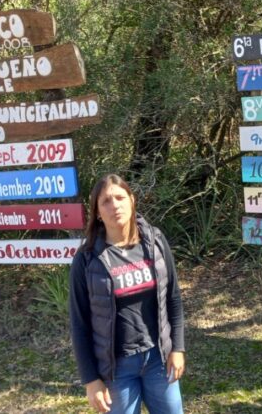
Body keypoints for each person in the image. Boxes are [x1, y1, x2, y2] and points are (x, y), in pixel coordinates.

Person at [69, 174, 185, 414]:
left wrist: (178, 348)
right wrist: (91, 380)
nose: (115, 206)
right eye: (106, 202)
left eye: (120, 197)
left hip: (158, 359)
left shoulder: (155, 242)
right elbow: (79, 324)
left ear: (132, 200)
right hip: (116, 369)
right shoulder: (86, 259)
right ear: (98, 212)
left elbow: (173, 298)